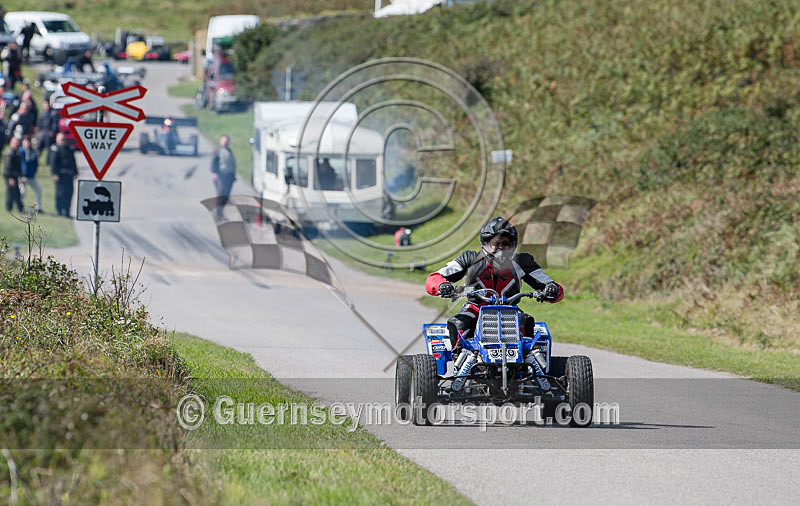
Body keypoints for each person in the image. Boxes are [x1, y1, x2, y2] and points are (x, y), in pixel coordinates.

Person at [425, 217, 564, 354]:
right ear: (485, 243)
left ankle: (527, 359)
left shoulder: (523, 262)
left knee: (524, 321)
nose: (500, 248)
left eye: (505, 243)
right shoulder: (470, 259)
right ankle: (460, 358)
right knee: (460, 322)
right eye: (495, 243)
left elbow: (552, 287)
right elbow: (434, 278)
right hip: (475, 308)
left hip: (510, 310)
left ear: (513, 245)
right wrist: (442, 286)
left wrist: (552, 290)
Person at [48, 133, 78, 217]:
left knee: (69, 193)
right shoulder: (55, 149)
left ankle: (67, 211)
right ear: (57, 140)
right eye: (61, 139)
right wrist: (54, 174)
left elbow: (73, 161)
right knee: (60, 194)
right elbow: (53, 163)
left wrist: (75, 172)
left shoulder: (69, 149)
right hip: (60, 175)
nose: (63, 141)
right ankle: (60, 211)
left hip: (69, 175)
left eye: (64, 139)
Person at [210, 134, 236, 218]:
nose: (225, 142)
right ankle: (217, 213)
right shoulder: (217, 150)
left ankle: (220, 212)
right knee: (221, 194)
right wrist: (214, 172)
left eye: (227, 141)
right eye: (224, 141)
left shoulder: (229, 150)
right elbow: (213, 162)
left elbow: (232, 163)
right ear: (221, 141)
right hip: (221, 176)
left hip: (229, 176)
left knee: (226, 196)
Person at [20, 137, 41, 213]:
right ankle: (21, 207)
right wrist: (19, 175)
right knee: (22, 192)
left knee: (38, 191)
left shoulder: (33, 152)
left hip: (31, 176)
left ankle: (36, 207)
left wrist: (34, 171)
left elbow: (36, 163)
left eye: (28, 142)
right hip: (23, 176)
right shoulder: (20, 151)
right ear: (23, 143)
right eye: (26, 142)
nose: (27, 144)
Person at [3, 136, 23, 213]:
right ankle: (9, 208)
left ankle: (20, 208)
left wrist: (20, 176)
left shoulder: (17, 152)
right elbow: (7, 167)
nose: (17, 144)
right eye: (15, 142)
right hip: (10, 176)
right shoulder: (9, 153)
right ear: (11, 143)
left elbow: (19, 166)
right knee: (10, 193)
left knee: (16, 193)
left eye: (18, 142)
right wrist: (10, 178)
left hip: (15, 176)